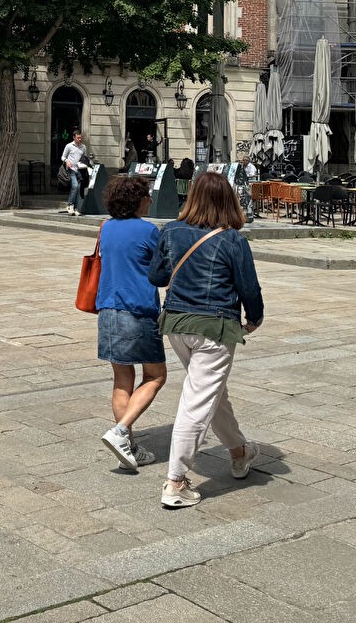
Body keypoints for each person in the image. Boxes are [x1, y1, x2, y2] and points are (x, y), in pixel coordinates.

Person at [149, 172, 266, 509]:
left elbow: (156, 276)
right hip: (214, 327)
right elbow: (249, 288)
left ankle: (239, 452)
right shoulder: (233, 240)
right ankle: (175, 482)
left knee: (213, 392)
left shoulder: (170, 230)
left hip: (176, 324)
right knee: (198, 400)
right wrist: (254, 318)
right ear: (228, 199)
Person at [97, 175, 166, 472]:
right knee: (155, 376)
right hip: (138, 311)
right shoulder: (149, 231)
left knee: (122, 379)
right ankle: (121, 431)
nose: (150, 200)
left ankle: (129, 447)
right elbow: (164, 270)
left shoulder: (106, 227)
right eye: (147, 195)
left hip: (107, 309)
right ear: (137, 200)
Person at [61, 129, 89, 216]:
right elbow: (63, 157)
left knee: (79, 189)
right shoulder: (69, 146)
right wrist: (67, 161)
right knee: (75, 186)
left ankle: (76, 208)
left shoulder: (83, 147)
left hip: (80, 170)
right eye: (78, 138)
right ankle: (70, 205)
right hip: (71, 169)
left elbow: (85, 157)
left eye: (80, 138)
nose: (79, 139)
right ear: (74, 137)